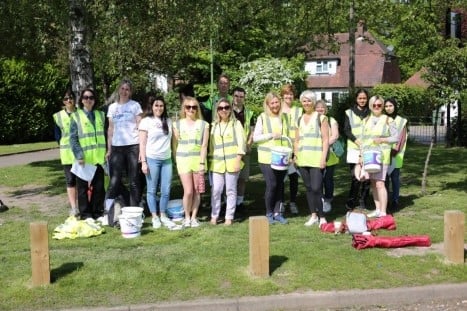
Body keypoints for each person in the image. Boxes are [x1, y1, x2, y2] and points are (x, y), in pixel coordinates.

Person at [139, 95, 178, 229]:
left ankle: (163, 215)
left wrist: (175, 157)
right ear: (152, 107)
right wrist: (143, 162)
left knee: (166, 189)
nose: (159, 108)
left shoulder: (168, 120)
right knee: (152, 190)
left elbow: (173, 141)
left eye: (161, 106)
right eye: (156, 105)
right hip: (152, 159)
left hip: (166, 160)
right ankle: (154, 216)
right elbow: (142, 144)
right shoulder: (145, 121)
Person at [253, 92, 291, 224]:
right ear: (267, 104)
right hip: (267, 158)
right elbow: (255, 138)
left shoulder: (285, 117)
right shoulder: (262, 117)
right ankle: (269, 213)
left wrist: (290, 155)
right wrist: (270, 135)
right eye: (272, 103)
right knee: (272, 184)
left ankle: (278, 213)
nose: (275, 105)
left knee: (280, 185)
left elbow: (289, 137)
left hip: (282, 158)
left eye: (276, 102)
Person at [293, 91, 329, 226]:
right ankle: (313, 215)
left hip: (316, 159)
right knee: (308, 188)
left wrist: (323, 158)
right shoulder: (299, 119)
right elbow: (296, 140)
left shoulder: (321, 118)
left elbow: (325, 140)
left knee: (316, 188)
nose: (306, 103)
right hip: (303, 159)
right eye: (304, 101)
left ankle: (322, 216)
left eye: (309, 101)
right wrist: (295, 155)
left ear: (313, 102)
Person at [173, 96, 209, 228]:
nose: (191, 109)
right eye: (188, 107)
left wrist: (202, 163)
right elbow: (175, 145)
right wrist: (176, 159)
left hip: (198, 160)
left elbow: (204, 145)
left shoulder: (204, 125)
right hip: (183, 160)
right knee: (188, 191)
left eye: (194, 107)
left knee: (197, 191)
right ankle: (186, 217)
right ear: (184, 108)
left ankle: (194, 217)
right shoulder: (176, 124)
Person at [106, 79, 143, 208]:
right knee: (114, 180)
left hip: (133, 146)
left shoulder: (135, 105)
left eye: (127, 89)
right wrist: (109, 149)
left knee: (133, 180)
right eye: (122, 88)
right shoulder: (112, 107)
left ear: (130, 92)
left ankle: (135, 209)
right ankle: (108, 210)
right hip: (117, 147)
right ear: (118, 90)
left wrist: (142, 151)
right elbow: (110, 129)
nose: (124, 91)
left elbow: (140, 127)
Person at [70, 89, 106, 220]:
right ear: (82, 100)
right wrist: (79, 155)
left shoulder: (101, 115)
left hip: (99, 158)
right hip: (84, 159)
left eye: (91, 97)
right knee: (82, 189)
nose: (88, 100)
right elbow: (73, 139)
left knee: (99, 188)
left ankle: (97, 212)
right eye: (85, 97)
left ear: (94, 100)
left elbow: (105, 135)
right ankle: (85, 214)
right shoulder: (76, 116)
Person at [361, 95, 399, 218]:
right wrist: (361, 156)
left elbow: (396, 137)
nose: (377, 107)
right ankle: (377, 209)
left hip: (382, 156)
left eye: (379, 105)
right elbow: (363, 140)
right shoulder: (365, 120)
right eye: (374, 105)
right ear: (370, 106)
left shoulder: (389, 120)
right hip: (368, 155)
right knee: (372, 183)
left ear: (382, 106)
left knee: (380, 184)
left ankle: (383, 211)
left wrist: (382, 140)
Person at [208, 98, 245, 225]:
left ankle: (229, 216)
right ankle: (214, 215)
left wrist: (238, 160)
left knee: (230, 190)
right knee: (216, 190)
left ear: (230, 109)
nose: (223, 110)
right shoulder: (214, 126)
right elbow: (211, 147)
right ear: (217, 110)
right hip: (217, 164)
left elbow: (242, 144)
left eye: (226, 107)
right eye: (220, 108)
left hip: (232, 163)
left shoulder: (236, 124)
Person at [343, 89, 371, 210]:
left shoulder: (371, 112)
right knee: (355, 176)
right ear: (356, 99)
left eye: (364, 98)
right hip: (354, 148)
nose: (362, 100)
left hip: (368, 148)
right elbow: (346, 130)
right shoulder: (349, 113)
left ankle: (363, 200)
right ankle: (351, 199)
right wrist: (356, 140)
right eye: (360, 98)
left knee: (366, 176)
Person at [53, 89, 78, 216]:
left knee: (83, 181)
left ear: (74, 99)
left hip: (81, 154)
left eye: (71, 98)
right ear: (63, 101)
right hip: (67, 154)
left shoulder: (81, 113)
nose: (69, 100)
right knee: (70, 181)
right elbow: (57, 136)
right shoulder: (58, 116)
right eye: (66, 98)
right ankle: (74, 208)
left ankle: (84, 206)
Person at [232, 87, 255, 217]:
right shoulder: (226, 110)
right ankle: (229, 203)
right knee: (230, 179)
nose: (238, 98)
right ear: (233, 97)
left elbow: (252, 131)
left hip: (244, 150)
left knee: (242, 179)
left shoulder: (249, 113)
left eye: (241, 96)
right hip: (230, 150)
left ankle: (239, 203)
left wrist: (248, 145)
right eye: (236, 96)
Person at [280, 84, 302, 215]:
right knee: (281, 178)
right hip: (281, 149)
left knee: (293, 177)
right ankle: (281, 203)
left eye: (291, 94)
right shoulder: (277, 109)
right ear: (282, 96)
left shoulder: (298, 110)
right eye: (286, 94)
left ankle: (293, 202)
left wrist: (296, 150)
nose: (288, 96)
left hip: (295, 148)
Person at [315, 100, 339, 213]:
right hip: (315, 155)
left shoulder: (331, 120)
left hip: (330, 155)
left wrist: (323, 145)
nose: (320, 109)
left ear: (326, 109)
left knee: (328, 179)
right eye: (318, 107)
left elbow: (335, 136)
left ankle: (328, 199)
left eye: (322, 107)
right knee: (317, 179)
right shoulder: (312, 120)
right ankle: (319, 200)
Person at [384, 98, 408, 212]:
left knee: (394, 178)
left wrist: (394, 151)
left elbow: (401, 139)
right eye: (386, 106)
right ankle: (385, 200)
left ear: (395, 106)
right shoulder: (383, 119)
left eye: (390, 106)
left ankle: (395, 200)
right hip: (384, 154)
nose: (388, 108)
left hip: (395, 155)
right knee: (384, 179)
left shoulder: (401, 121)